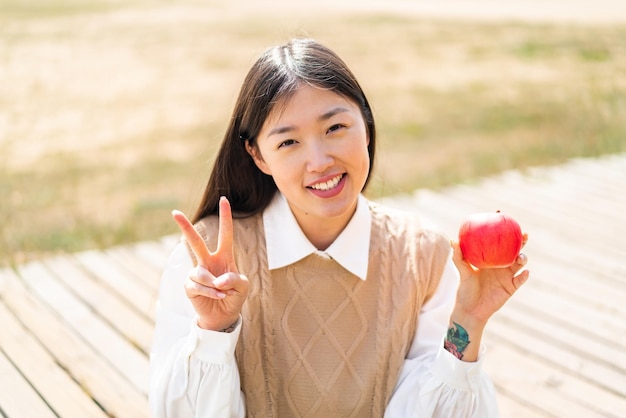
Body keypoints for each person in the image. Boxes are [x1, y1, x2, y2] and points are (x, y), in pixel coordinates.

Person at [148, 38, 529, 418]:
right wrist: (215, 328)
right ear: (258, 155)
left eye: (334, 128)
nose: (319, 161)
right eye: (289, 142)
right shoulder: (211, 259)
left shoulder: (423, 255)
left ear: (365, 124)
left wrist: (469, 320)